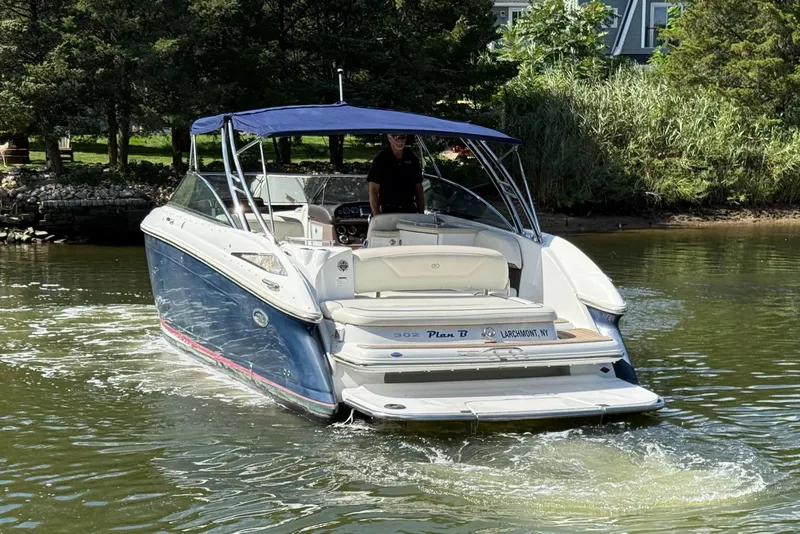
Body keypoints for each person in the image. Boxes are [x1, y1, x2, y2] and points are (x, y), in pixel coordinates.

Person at [367, 134, 425, 215]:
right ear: (389, 138)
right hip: (388, 211)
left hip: (409, 210)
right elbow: (373, 191)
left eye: (403, 137)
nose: (400, 141)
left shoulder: (412, 159)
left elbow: (419, 189)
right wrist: (377, 216)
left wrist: (421, 215)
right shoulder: (380, 160)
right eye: (397, 137)